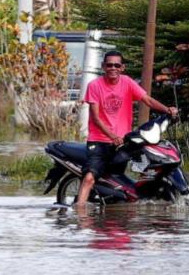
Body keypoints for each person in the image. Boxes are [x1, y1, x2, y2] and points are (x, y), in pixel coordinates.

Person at [75, 50, 178, 207]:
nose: (113, 68)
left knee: (141, 166)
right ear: (103, 67)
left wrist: (168, 110)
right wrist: (112, 136)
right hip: (99, 142)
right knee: (89, 177)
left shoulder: (128, 82)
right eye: (109, 65)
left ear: (122, 67)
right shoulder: (94, 86)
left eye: (117, 65)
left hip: (123, 141)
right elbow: (95, 118)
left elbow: (147, 100)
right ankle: (79, 212)